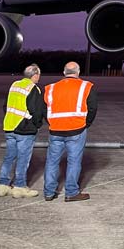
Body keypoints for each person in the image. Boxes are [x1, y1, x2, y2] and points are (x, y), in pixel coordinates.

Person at [43, 61, 97, 202]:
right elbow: (92, 108)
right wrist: (86, 123)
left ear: (64, 72)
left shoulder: (50, 88)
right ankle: (71, 192)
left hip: (55, 129)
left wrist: (52, 121)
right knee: (74, 161)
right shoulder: (86, 86)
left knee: (52, 161)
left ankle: (49, 192)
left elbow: (44, 109)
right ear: (78, 72)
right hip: (76, 129)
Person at [0, 64, 46, 198]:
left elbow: (5, 106)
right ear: (35, 75)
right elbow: (36, 111)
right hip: (24, 129)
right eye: (38, 75)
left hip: (10, 126)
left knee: (9, 157)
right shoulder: (33, 88)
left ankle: (3, 185)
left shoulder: (14, 85)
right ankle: (19, 187)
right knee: (23, 159)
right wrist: (36, 125)